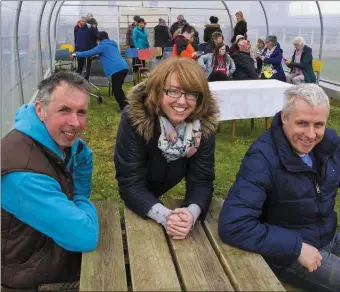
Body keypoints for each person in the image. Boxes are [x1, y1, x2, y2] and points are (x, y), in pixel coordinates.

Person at [218, 83, 340, 292]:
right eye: (302, 123)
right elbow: (234, 224)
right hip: (287, 253)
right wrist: (297, 247)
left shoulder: (328, 144)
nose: (311, 135)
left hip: (327, 234)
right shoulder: (263, 157)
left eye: (319, 125)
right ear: (285, 118)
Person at [1, 72, 99, 290]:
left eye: (81, 112)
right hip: (28, 276)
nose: (75, 123)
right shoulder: (22, 174)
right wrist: (81, 200)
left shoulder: (48, 137)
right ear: (40, 109)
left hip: (44, 244)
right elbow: (85, 236)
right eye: (65, 110)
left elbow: (83, 155)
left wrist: (76, 201)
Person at [114, 57, 219, 240]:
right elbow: (130, 182)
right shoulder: (134, 120)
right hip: (142, 187)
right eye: (173, 91)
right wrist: (166, 216)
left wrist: (190, 213)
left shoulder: (203, 125)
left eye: (191, 94)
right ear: (157, 91)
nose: (182, 102)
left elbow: (202, 180)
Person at [73, 31, 129, 111]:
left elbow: (90, 52)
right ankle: (127, 105)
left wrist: (77, 54)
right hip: (124, 67)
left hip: (117, 69)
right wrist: (98, 57)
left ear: (99, 38)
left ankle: (124, 108)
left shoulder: (102, 46)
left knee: (116, 90)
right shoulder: (112, 44)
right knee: (118, 88)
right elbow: (108, 55)